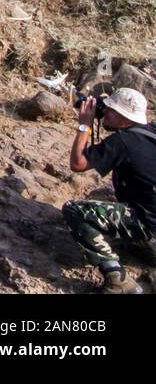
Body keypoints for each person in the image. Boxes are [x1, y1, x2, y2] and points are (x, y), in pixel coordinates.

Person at [62, 87, 156, 293]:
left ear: (124, 118)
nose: (105, 113)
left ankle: (118, 280)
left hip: (150, 227)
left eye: (111, 110)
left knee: (75, 210)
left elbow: (78, 163)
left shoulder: (123, 141)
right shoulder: (151, 132)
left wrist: (84, 125)